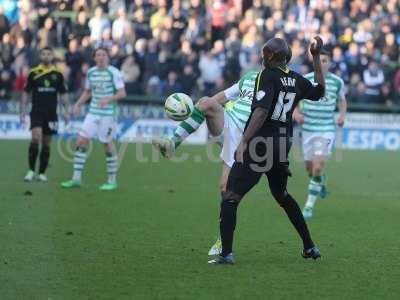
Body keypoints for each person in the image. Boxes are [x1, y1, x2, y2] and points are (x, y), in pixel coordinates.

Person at [208, 36, 326, 265]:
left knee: (230, 197)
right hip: (283, 144)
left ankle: (226, 253)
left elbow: (261, 112)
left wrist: (243, 143)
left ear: (269, 56)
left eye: (265, 53)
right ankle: (309, 246)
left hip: (262, 144)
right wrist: (315, 58)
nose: (262, 56)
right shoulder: (296, 79)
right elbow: (320, 91)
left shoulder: (267, 75)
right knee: (281, 195)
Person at [152, 70, 260, 256]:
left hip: (248, 139)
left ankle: (222, 240)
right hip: (229, 123)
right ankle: (172, 143)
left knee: (226, 190)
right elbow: (223, 96)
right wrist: (199, 108)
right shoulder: (250, 77)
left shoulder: (275, 83)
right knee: (207, 101)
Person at [61, 47, 126, 191]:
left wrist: (109, 99)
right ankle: (76, 179)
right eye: (98, 55)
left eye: (104, 54)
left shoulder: (114, 72)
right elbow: (88, 92)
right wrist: (77, 105)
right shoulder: (91, 72)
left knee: (107, 144)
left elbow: (122, 93)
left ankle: (112, 181)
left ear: (107, 57)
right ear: (94, 58)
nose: (101, 57)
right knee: (81, 140)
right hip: (93, 112)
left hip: (108, 113)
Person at [293, 49, 347, 219]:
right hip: (307, 129)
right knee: (310, 170)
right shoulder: (306, 80)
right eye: (319, 60)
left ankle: (309, 206)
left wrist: (342, 115)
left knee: (317, 165)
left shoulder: (337, 82)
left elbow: (342, 100)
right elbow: (294, 100)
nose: (322, 63)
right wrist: (296, 114)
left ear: (330, 63)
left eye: (325, 60)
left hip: (326, 129)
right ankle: (320, 179)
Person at [20, 47, 69, 182]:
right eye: (43, 54)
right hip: (36, 112)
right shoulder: (33, 73)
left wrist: (66, 111)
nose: (46, 56)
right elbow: (25, 92)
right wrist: (22, 111)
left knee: (47, 143)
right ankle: (30, 170)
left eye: (48, 54)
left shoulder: (58, 74)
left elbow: (63, 94)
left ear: (52, 56)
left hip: (51, 114)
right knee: (36, 138)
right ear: (40, 56)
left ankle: (42, 173)